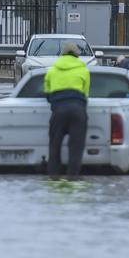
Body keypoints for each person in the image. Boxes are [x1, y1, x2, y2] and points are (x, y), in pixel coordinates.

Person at [44, 43, 91, 177]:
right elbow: (85, 95)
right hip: (78, 110)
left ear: (62, 55)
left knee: (54, 145)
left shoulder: (52, 71)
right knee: (76, 147)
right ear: (77, 55)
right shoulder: (84, 71)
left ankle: (53, 176)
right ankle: (72, 177)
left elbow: (47, 95)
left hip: (58, 111)